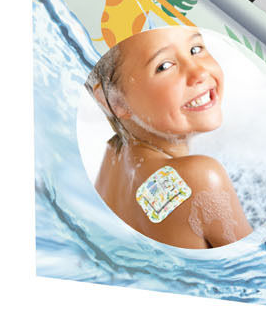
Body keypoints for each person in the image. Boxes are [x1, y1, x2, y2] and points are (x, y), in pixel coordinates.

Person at [86, 25, 252, 248]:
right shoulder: (201, 178)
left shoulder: (113, 154)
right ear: (113, 101)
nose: (200, 73)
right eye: (164, 66)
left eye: (195, 49)